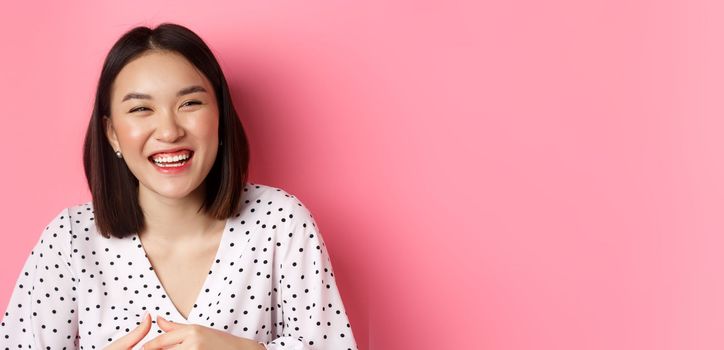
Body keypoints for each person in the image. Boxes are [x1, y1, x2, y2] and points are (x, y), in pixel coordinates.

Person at [0, 23, 358, 350]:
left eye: (190, 103)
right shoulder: (70, 239)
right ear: (112, 134)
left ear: (220, 117)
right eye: (141, 109)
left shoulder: (281, 222)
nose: (170, 132)